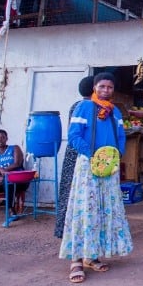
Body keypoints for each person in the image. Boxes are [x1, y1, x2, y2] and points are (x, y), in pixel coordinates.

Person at [59, 72, 132, 284]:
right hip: (88, 164)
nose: (105, 90)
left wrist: (116, 154)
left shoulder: (115, 111)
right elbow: (74, 136)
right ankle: (76, 261)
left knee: (103, 209)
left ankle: (92, 256)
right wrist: (93, 154)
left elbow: (120, 137)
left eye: (109, 87)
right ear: (94, 87)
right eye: (102, 86)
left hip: (109, 166)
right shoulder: (85, 108)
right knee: (84, 210)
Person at [54, 75, 94, 239]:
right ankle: (74, 229)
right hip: (81, 154)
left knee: (68, 191)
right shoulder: (87, 106)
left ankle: (63, 228)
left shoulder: (75, 105)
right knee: (78, 192)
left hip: (72, 153)